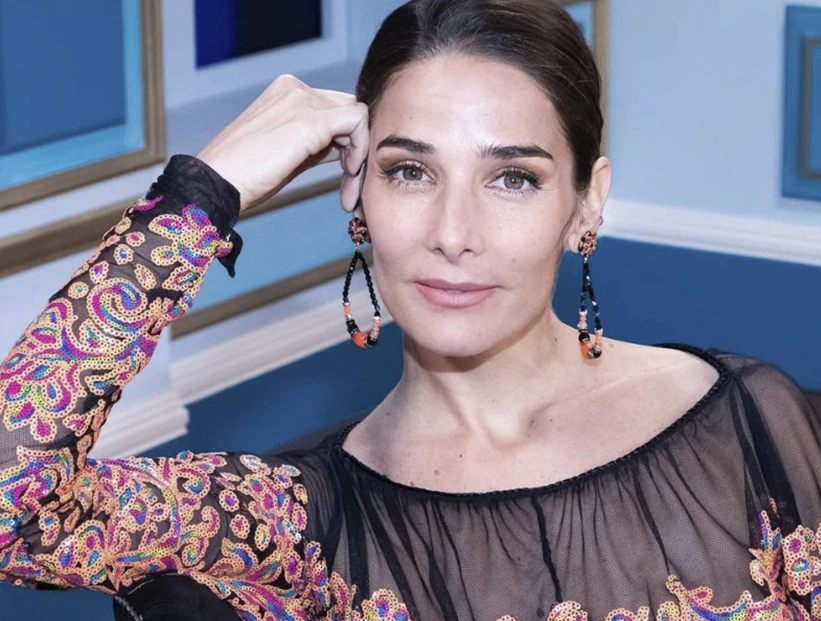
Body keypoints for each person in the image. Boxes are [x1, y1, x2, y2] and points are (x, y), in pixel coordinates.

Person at [1, 1, 819, 620]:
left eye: (512, 178)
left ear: (586, 202)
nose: (452, 233)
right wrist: (202, 192)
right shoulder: (294, 522)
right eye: (408, 172)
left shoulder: (751, 424)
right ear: (356, 193)